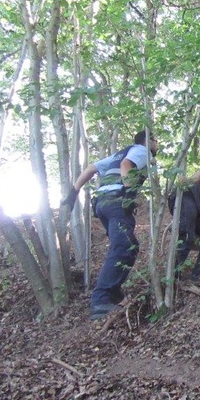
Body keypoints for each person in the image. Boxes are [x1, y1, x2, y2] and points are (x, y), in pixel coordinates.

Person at [62, 130, 158, 320]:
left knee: (128, 247)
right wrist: (129, 193)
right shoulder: (141, 150)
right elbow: (126, 165)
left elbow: (91, 169)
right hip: (116, 201)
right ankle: (101, 299)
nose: (158, 145)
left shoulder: (120, 153)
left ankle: (113, 293)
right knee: (123, 247)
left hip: (101, 203)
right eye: (156, 141)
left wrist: (73, 193)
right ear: (148, 141)